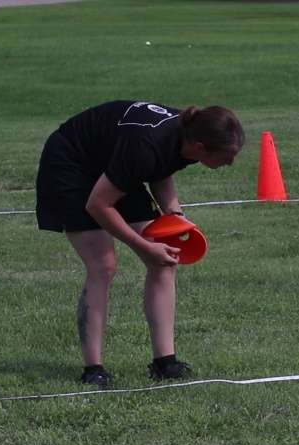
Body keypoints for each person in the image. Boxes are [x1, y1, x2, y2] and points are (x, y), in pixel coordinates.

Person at [35, 100, 244, 389]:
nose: (230, 163)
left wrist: (176, 219)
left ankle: (165, 363)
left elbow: (162, 169)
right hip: (72, 162)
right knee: (103, 265)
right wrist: (143, 245)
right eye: (226, 156)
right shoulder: (147, 145)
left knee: (165, 258)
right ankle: (93, 369)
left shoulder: (184, 133)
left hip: (114, 164)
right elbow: (99, 204)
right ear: (199, 146)